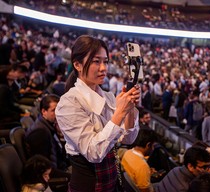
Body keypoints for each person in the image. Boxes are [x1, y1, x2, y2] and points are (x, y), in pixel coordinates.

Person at [55, 35, 140, 192]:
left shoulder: (108, 96)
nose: (103, 68)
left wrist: (130, 109)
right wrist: (120, 112)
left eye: (105, 62)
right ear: (77, 65)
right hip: (88, 184)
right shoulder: (69, 102)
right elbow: (94, 152)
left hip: (111, 180)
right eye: (96, 61)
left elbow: (128, 139)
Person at [26, 94, 69, 171]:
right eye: (54, 110)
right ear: (43, 111)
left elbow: (59, 153)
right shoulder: (39, 133)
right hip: (54, 174)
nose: (58, 113)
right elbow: (44, 168)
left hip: (61, 165)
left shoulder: (50, 125)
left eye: (59, 110)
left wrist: (61, 136)